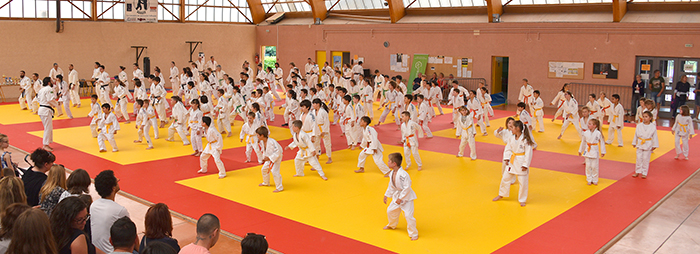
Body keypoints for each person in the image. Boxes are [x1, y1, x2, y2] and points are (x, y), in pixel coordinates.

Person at [493, 120, 535, 207]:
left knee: (523, 182)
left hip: (521, 161)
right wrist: (507, 158)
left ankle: (522, 199)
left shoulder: (525, 140)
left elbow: (528, 153)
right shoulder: (511, 137)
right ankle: (501, 194)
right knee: (505, 178)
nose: (511, 129)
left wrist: (525, 165)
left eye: (513, 127)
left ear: (518, 128)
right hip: (512, 160)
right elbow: (508, 148)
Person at [91, 170, 130, 253]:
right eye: (116, 180)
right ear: (113, 188)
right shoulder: (120, 211)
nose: (118, 180)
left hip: (96, 250)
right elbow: (131, 236)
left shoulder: (93, 206)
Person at [382, 153, 418, 241]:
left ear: (394, 164)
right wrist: (386, 195)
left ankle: (413, 234)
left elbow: (407, 188)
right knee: (390, 210)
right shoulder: (392, 173)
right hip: (397, 195)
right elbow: (391, 186)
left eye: (389, 161)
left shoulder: (404, 174)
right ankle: (392, 225)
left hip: (407, 198)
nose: (387, 162)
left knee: (408, 216)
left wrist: (401, 198)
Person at [579, 118, 606, 186]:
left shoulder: (598, 133)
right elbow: (583, 142)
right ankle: (589, 179)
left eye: (590, 124)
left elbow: (602, 142)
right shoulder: (586, 133)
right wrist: (580, 150)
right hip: (587, 150)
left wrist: (603, 151)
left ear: (595, 126)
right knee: (588, 166)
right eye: (588, 124)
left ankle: (595, 179)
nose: (588, 125)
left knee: (594, 166)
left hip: (594, 150)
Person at [632, 112, 659, 179]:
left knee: (645, 159)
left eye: (646, 117)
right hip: (640, 142)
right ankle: (637, 171)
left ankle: (644, 172)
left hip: (648, 143)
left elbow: (655, 136)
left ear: (650, 118)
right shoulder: (639, 125)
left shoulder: (653, 127)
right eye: (643, 116)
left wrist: (654, 145)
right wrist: (634, 142)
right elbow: (635, 134)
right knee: (638, 158)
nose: (644, 118)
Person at [257, 127, 284, 193]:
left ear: (262, 135)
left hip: (276, 157)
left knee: (274, 171)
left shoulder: (272, 142)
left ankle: (279, 187)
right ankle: (266, 182)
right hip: (269, 158)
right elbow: (265, 150)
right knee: (264, 169)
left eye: (257, 135)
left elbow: (278, 151)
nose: (257, 136)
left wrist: (269, 158)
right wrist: (264, 158)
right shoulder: (263, 141)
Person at [38, 76, 58, 151]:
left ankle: (47, 143)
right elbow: (50, 99)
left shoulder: (41, 89)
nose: (53, 82)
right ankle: (45, 144)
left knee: (48, 127)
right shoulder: (49, 89)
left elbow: (38, 99)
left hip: (42, 109)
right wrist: (56, 104)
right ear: (49, 83)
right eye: (52, 81)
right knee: (47, 128)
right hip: (45, 110)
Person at [312, 99, 333, 164]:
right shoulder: (313, 111)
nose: (313, 105)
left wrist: (324, 131)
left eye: (314, 104)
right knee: (316, 143)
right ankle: (317, 155)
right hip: (316, 128)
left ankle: (329, 157)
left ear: (318, 104)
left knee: (327, 144)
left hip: (323, 128)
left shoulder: (323, 112)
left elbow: (326, 122)